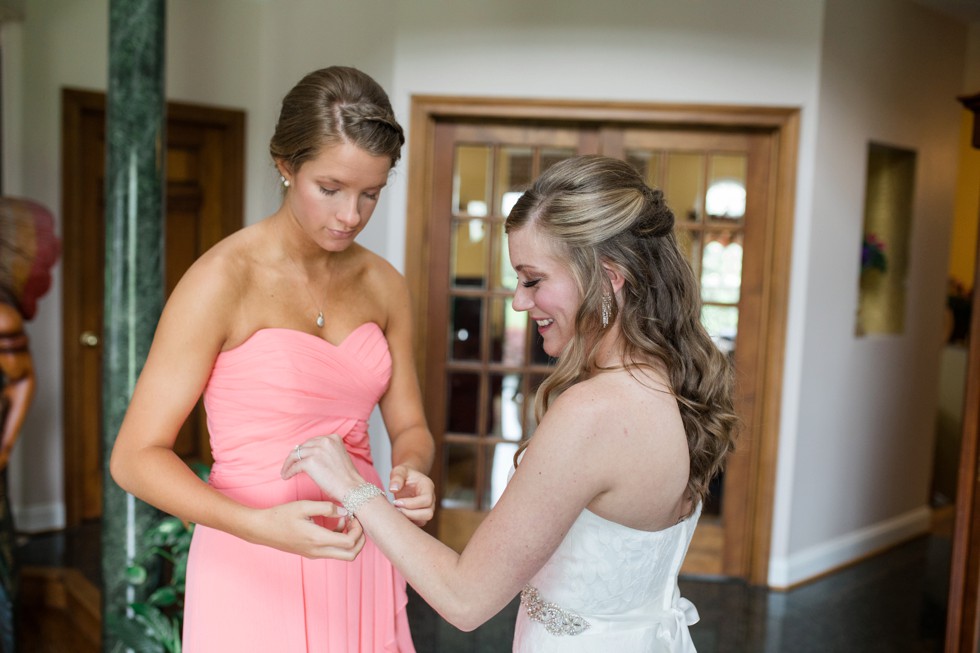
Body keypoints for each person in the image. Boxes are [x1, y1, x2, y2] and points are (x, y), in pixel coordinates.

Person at [283, 154, 739, 652]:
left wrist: (352, 486)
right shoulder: (664, 381)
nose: (520, 302)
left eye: (533, 279)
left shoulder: (594, 413)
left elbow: (464, 598)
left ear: (610, 277)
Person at [109, 66, 435, 652]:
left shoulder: (385, 285)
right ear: (286, 165)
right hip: (250, 550)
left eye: (371, 193)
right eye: (330, 188)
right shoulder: (220, 281)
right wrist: (258, 527)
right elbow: (134, 458)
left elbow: (410, 427)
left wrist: (412, 469)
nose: (351, 215)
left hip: (355, 544)